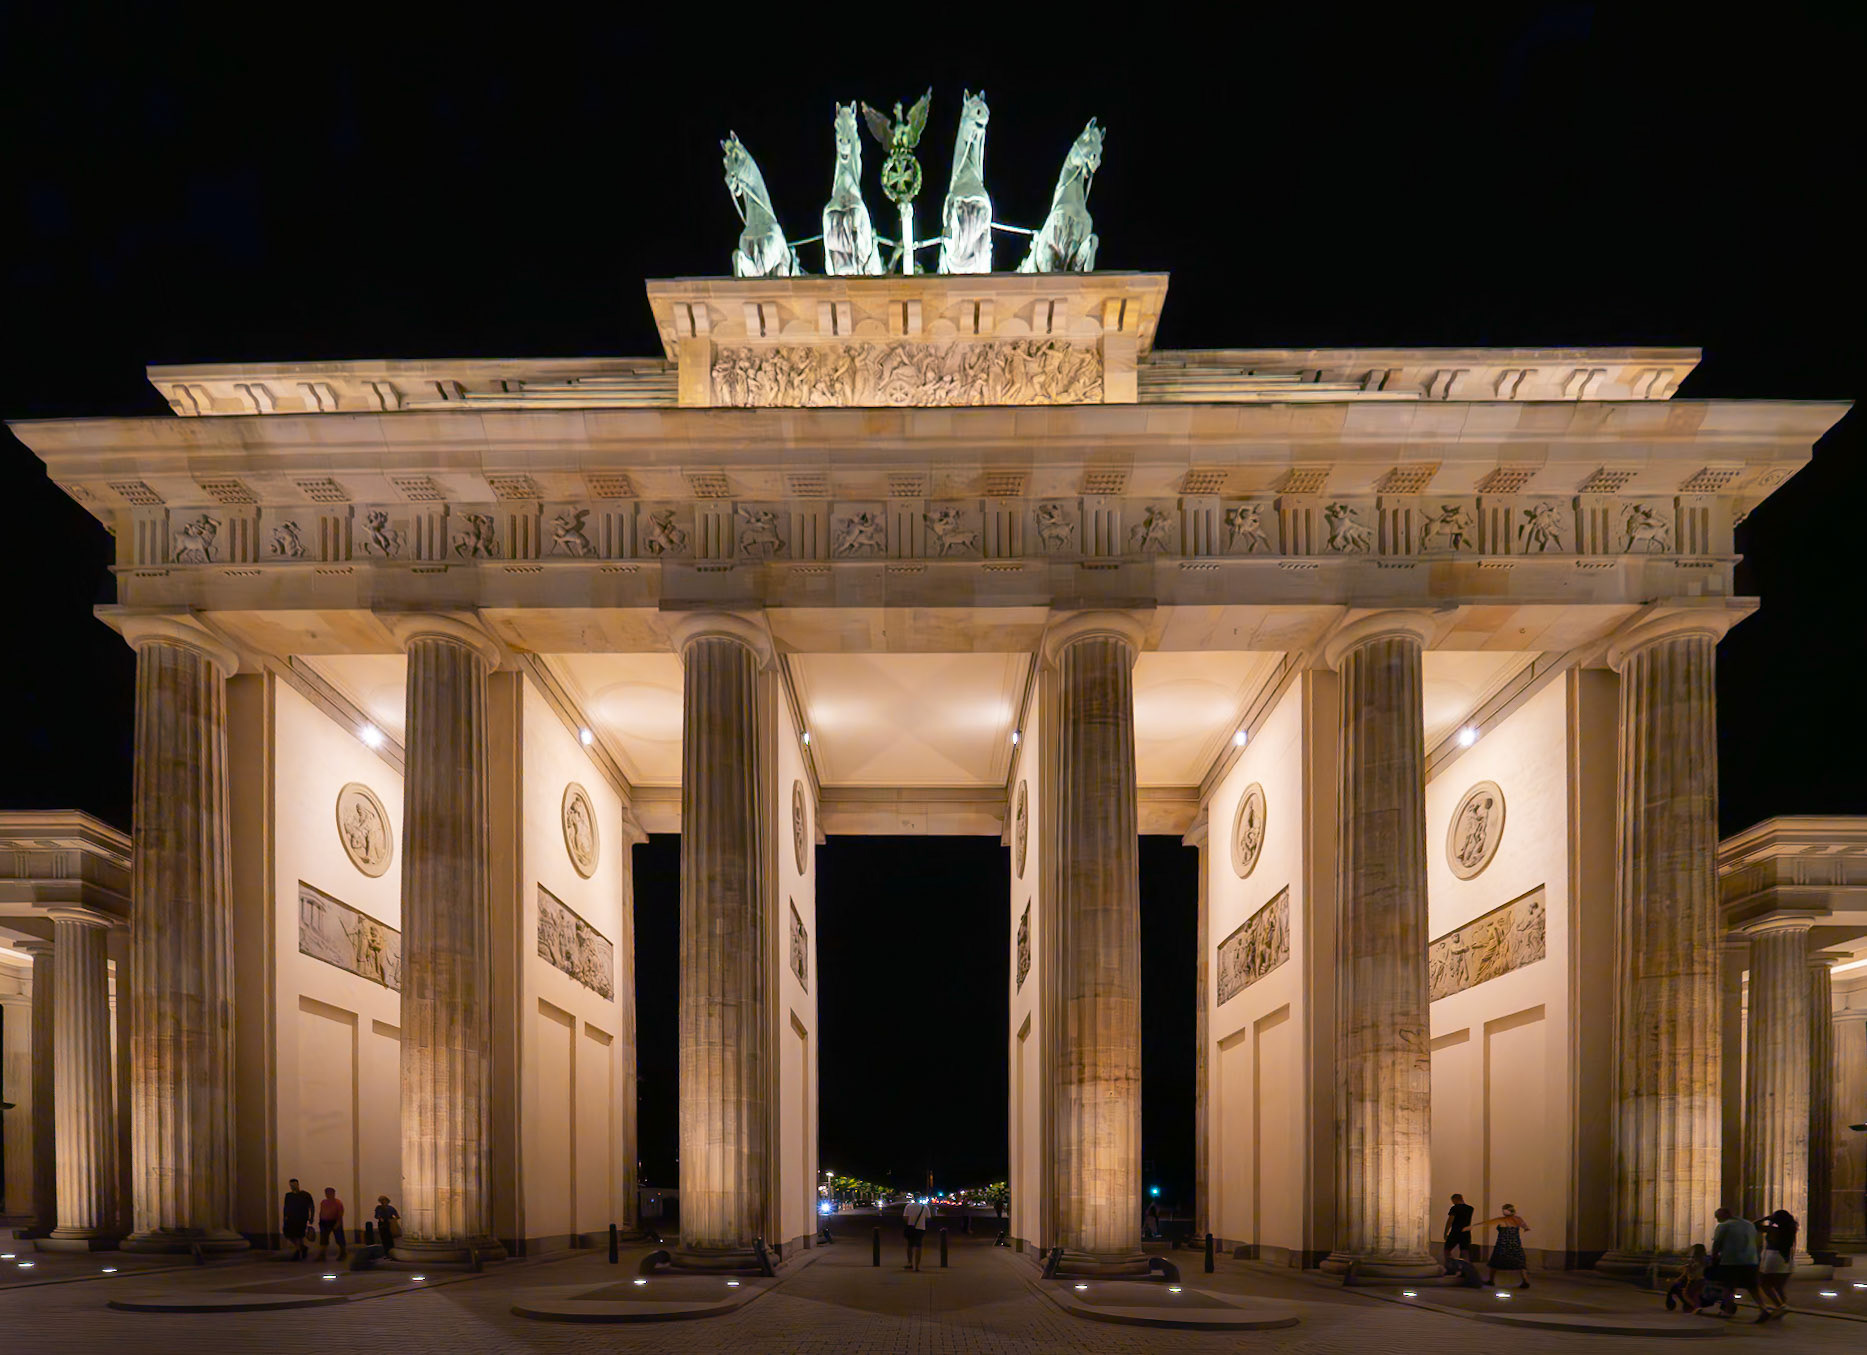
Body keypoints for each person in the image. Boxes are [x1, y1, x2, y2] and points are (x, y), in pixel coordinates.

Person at [1707, 1206, 1760, 1318]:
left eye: (1717, 1217)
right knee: (1752, 1287)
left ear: (1724, 1215)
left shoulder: (1724, 1226)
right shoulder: (1749, 1224)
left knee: (1728, 1286)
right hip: (1751, 1260)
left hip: (1731, 1261)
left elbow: (1717, 1244)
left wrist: (1713, 1258)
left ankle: (1728, 1310)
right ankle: (1763, 1308)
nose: (1717, 1220)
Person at [1752, 1209, 1797, 1321]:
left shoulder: (1773, 1230)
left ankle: (1780, 1306)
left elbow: (1754, 1225)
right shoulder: (1790, 1229)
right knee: (1779, 1286)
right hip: (1786, 1258)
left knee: (1764, 1283)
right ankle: (1781, 1308)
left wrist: (1767, 1218)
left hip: (1773, 1257)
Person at [1473, 1204, 1531, 1288]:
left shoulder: (1502, 1220)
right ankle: (1525, 1280)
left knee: (1495, 1262)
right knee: (1520, 1262)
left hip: (1502, 1244)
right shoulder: (1518, 1219)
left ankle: (1491, 1280)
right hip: (1515, 1244)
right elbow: (1525, 1227)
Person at [1664, 1243, 1709, 1315]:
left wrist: (1683, 1270)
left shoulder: (1696, 1259)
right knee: (1695, 1294)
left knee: (1685, 1293)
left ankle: (1696, 1307)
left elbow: (1690, 1268)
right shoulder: (1705, 1259)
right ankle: (1696, 1306)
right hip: (1703, 1280)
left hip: (1695, 1280)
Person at [281, 1178, 315, 1261]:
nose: (293, 1186)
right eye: (291, 1185)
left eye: (294, 1185)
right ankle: (302, 1248)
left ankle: (298, 1251)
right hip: (291, 1218)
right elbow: (286, 1207)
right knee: (290, 1235)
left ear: (298, 1184)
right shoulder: (289, 1196)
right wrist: (285, 1216)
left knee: (299, 1235)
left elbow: (311, 1206)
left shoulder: (305, 1195)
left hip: (301, 1218)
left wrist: (311, 1217)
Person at [1443, 1193, 1475, 1274]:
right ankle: (1466, 1270)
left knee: (1447, 1249)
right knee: (1465, 1251)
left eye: (1453, 1201)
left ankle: (1450, 1267)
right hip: (1466, 1233)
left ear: (1455, 1199)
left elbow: (1450, 1220)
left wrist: (1445, 1232)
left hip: (1455, 1231)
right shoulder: (1470, 1208)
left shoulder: (1454, 1208)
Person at [316, 1186, 347, 1261]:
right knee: (323, 1239)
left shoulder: (338, 1202)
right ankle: (322, 1255)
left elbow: (340, 1213)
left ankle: (343, 1253)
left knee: (339, 1238)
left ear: (333, 1193)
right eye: (326, 1193)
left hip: (334, 1221)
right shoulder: (323, 1202)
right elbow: (321, 1211)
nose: (328, 1194)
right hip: (324, 1222)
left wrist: (338, 1223)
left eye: (329, 1193)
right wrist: (320, 1221)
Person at [902, 1195, 932, 1271]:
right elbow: (928, 1218)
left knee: (910, 1245)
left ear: (913, 1198)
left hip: (911, 1227)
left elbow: (905, 1217)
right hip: (921, 1228)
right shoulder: (924, 1207)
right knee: (919, 1246)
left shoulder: (908, 1206)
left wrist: (910, 1221)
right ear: (920, 1198)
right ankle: (917, 1266)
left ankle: (910, 1263)